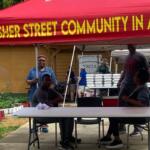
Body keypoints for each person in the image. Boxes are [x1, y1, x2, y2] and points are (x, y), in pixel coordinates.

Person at [100, 68, 150, 149]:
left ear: (138, 78)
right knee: (113, 116)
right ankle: (108, 137)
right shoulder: (140, 87)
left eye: (135, 75)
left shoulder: (143, 89)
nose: (133, 77)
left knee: (113, 118)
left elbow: (142, 104)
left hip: (140, 117)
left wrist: (127, 99)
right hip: (136, 114)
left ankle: (117, 141)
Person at [32, 73, 75, 150]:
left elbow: (61, 97)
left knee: (70, 116)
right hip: (40, 116)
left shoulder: (49, 89)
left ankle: (69, 137)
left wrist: (51, 102)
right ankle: (64, 142)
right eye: (46, 80)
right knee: (63, 118)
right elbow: (46, 105)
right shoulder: (40, 92)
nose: (49, 82)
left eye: (49, 80)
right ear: (41, 81)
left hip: (48, 113)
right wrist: (52, 102)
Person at [117, 44, 149, 134]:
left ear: (135, 45)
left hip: (135, 84)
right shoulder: (127, 57)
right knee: (121, 102)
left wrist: (142, 81)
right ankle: (121, 125)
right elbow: (125, 70)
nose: (130, 46)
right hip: (125, 83)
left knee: (133, 105)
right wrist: (120, 80)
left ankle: (137, 127)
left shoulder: (140, 56)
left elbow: (146, 70)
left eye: (132, 45)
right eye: (129, 45)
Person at [26, 55, 57, 132]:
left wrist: (50, 89)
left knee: (44, 111)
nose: (41, 62)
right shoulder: (32, 70)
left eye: (43, 60)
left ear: (45, 62)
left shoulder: (49, 70)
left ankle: (44, 125)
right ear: (37, 61)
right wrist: (33, 81)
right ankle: (35, 126)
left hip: (45, 96)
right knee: (35, 111)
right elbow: (27, 81)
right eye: (40, 60)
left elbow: (54, 82)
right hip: (34, 95)